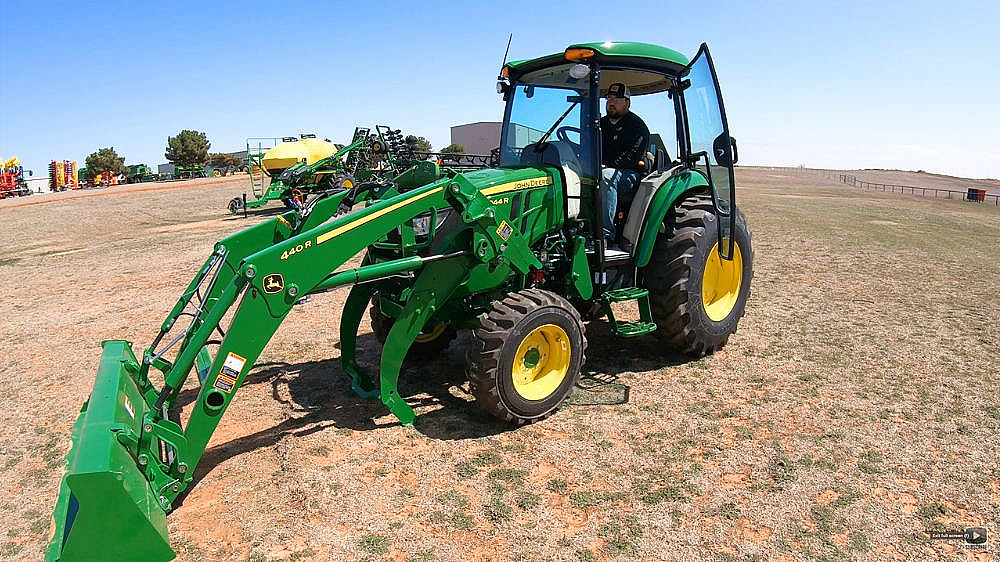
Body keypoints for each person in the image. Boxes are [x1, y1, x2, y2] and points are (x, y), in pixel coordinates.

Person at [600, 82, 649, 248]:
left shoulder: (637, 126)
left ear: (627, 102)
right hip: (600, 169)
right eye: (609, 98)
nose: (611, 102)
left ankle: (605, 235)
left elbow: (632, 156)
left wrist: (606, 165)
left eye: (616, 99)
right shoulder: (600, 124)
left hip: (630, 174)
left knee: (606, 177)